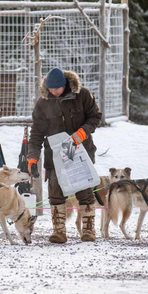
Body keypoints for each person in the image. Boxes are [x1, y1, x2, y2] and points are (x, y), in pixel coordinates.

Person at [27, 67, 102, 243]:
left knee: (85, 189)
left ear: (65, 85)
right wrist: (32, 157)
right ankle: (59, 231)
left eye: (57, 88)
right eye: (51, 89)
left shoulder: (82, 95)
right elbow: (36, 133)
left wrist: (82, 133)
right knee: (55, 190)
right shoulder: (43, 102)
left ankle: (88, 230)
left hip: (81, 150)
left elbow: (95, 117)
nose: (54, 92)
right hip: (54, 154)